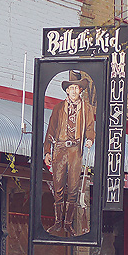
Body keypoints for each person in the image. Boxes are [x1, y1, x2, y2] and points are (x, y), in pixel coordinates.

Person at [43, 77, 95, 236]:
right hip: (59, 148)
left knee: (73, 187)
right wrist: (47, 151)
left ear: (80, 91)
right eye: (71, 88)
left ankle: (68, 223)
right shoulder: (58, 108)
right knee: (58, 186)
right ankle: (58, 222)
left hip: (75, 151)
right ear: (67, 91)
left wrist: (90, 139)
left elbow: (90, 127)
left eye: (76, 88)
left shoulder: (87, 108)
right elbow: (51, 130)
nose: (73, 91)